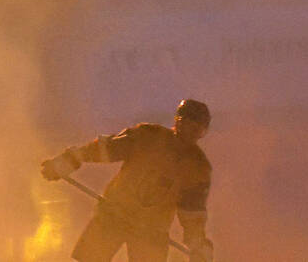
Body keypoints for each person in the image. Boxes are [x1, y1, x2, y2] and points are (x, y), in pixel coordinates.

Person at [40, 99, 214, 262]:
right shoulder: (148, 137)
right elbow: (106, 149)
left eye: (198, 130)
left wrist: (197, 245)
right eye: (189, 125)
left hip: (150, 232)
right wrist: (70, 160)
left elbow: (192, 211)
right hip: (114, 215)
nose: (192, 134)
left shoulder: (197, 168)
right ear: (178, 121)